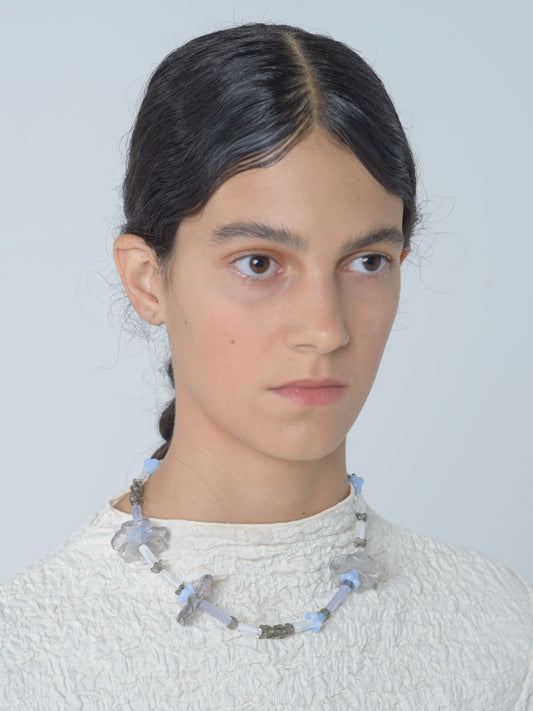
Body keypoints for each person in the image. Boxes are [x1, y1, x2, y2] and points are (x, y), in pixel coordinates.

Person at [1, 22, 531, 710]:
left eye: (367, 261)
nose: (325, 328)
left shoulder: (497, 625)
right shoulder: (27, 653)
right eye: (258, 263)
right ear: (147, 280)